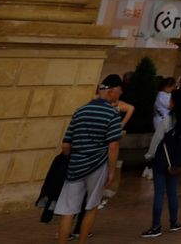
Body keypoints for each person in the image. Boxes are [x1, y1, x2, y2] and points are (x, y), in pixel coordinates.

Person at [53, 74, 123, 244]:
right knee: (91, 207)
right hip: (97, 166)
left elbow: (66, 145)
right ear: (112, 91)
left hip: (76, 165)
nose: (120, 95)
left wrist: (74, 157)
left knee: (68, 210)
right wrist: (112, 170)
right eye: (119, 92)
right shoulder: (112, 114)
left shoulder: (80, 110)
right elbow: (113, 146)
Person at [142, 89, 181, 237]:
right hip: (176, 163)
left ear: (175, 102)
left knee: (159, 194)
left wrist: (149, 155)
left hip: (161, 160)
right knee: (173, 193)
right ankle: (174, 222)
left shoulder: (168, 120)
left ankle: (156, 227)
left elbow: (157, 139)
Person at [141, 77, 175, 180]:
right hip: (162, 121)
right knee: (158, 144)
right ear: (167, 86)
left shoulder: (165, 95)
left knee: (159, 143)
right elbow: (171, 106)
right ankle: (151, 167)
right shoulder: (162, 95)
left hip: (163, 120)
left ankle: (151, 168)